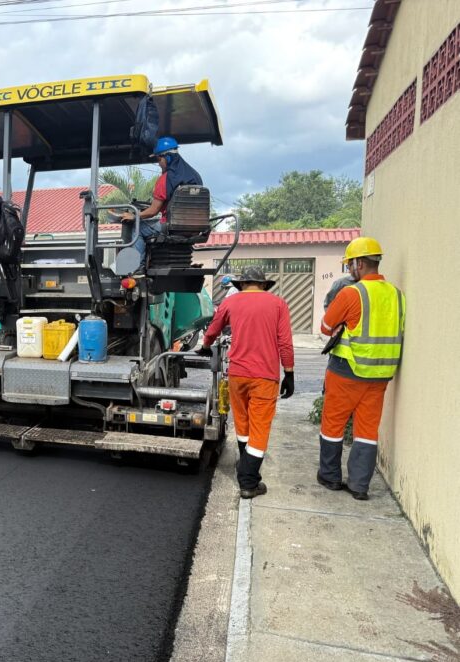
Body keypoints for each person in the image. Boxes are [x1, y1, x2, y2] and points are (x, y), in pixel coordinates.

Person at [317, 237, 405, 501]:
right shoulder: (396, 295)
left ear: (359, 263)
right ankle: (359, 486)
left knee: (332, 424)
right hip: (381, 375)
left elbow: (325, 328)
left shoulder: (351, 293)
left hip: (347, 370)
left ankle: (330, 477)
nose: (349, 270)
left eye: (350, 264)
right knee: (367, 430)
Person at [197, 267, 295, 499]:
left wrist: (205, 345)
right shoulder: (278, 304)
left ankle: (245, 464)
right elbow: (285, 342)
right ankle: (249, 482)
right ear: (263, 284)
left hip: (238, 375)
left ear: (242, 284)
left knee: (242, 422)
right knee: (260, 428)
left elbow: (213, 328)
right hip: (265, 377)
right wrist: (289, 372)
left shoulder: (231, 303)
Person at [117, 136, 202, 271]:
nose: (158, 163)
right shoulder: (195, 176)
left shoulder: (165, 179)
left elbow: (153, 211)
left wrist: (134, 216)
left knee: (137, 227)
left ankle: (138, 269)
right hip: (194, 228)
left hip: (171, 226)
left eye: (158, 159)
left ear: (167, 158)